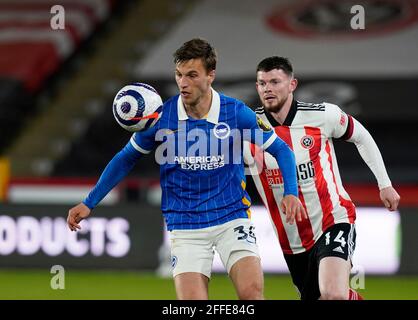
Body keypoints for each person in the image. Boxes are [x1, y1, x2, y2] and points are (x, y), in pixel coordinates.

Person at [67, 39, 306, 300]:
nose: (183, 83)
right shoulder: (161, 118)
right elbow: (126, 157)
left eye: (192, 75)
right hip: (185, 224)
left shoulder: (236, 113)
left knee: (251, 294)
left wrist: (290, 192)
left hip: (231, 217)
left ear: (210, 75)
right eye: (179, 75)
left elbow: (282, 150)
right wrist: (89, 202)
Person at [245, 56, 400, 300]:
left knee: (333, 294)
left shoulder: (322, 116)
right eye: (262, 83)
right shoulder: (248, 128)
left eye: (275, 82)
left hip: (333, 218)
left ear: (292, 85)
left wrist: (385, 184)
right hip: (292, 238)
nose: (268, 89)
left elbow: (361, 136)